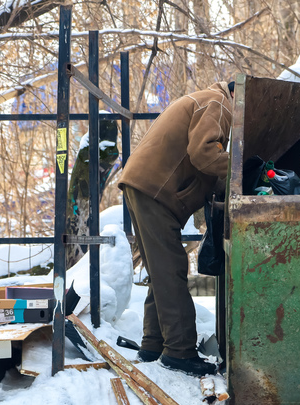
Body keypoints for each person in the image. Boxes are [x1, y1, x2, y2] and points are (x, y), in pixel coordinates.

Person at [117, 81, 234, 377]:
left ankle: (154, 344)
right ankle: (179, 352)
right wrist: (239, 167)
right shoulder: (219, 103)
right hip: (156, 191)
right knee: (171, 269)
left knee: (162, 269)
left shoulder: (205, 99)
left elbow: (198, 159)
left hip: (144, 187)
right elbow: (204, 153)